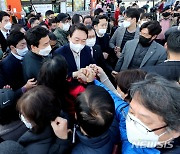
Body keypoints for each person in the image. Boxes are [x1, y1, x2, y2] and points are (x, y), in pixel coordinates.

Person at [94, 74, 180, 153]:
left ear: (175, 129)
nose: (132, 122)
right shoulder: (128, 117)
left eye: (144, 119)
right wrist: (93, 81)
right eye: (131, 112)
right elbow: (116, 102)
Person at [17, 86, 71, 154]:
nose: (22, 117)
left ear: (37, 120)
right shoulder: (64, 118)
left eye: (24, 115)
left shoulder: (36, 150)